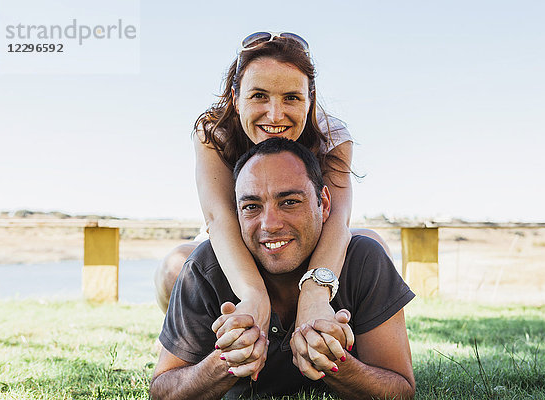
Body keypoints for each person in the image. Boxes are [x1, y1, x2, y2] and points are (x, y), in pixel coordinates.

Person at [154, 31, 392, 378]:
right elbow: (220, 218)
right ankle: (180, 340)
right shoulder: (214, 131)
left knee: (376, 244)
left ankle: (353, 339)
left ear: (310, 99)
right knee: (175, 266)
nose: (275, 113)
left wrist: (314, 296)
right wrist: (254, 296)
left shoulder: (333, 136)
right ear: (236, 98)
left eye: (292, 97)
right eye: (259, 96)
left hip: (305, 248)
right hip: (240, 240)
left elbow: (338, 220)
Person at [151, 138, 415, 400]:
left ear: (323, 203)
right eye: (252, 207)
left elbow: (401, 388)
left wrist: (335, 361)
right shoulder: (206, 268)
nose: (270, 224)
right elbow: (161, 391)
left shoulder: (363, 260)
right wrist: (225, 360)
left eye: (289, 202)